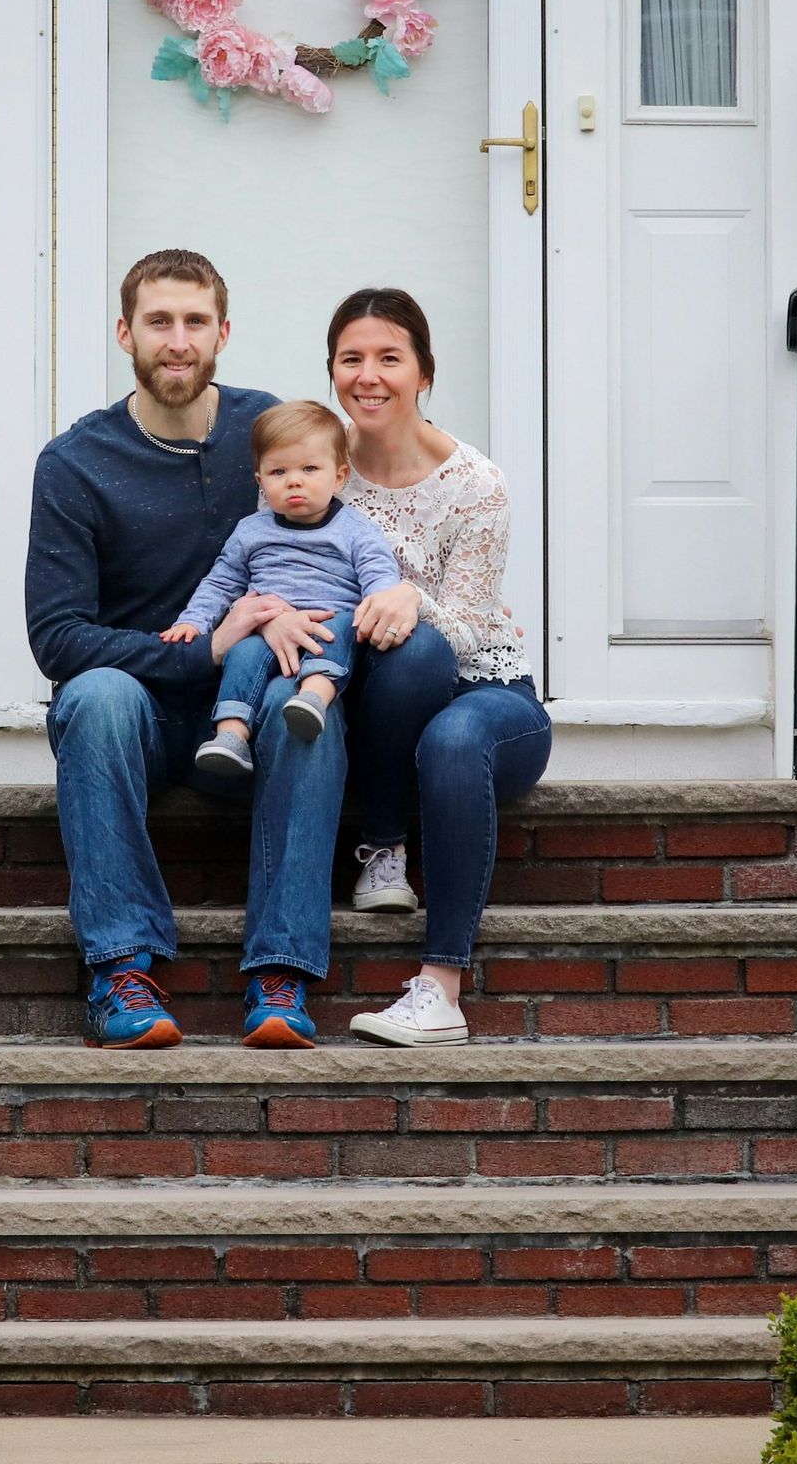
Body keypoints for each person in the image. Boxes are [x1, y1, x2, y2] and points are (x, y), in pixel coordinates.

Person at [26, 250, 450, 1051]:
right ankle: (122, 968)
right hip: (145, 713)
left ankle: (280, 977)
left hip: (267, 694)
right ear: (125, 333)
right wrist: (210, 645)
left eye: (194, 322)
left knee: (306, 711)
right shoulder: (76, 463)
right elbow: (57, 637)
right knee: (92, 696)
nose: (177, 340)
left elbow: (370, 495)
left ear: (223, 332)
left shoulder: (270, 431)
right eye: (159, 321)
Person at [325, 288, 554, 1045]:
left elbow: (460, 633)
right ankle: (382, 849)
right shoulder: (321, 473)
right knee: (403, 651)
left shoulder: (476, 485)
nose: (369, 376)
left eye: (389, 358)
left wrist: (405, 599)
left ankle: (441, 990)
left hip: (490, 696)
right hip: (375, 702)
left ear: (424, 373)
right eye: (351, 359)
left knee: (448, 729)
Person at [161, 400, 405, 775]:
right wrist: (193, 621)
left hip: (329, 617)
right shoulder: (252, 531)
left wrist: (382, 603)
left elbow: (378, 575)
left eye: (310, 468)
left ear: (339, 477)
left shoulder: (356, 529)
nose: (294, 480)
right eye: (278, 471)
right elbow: (221, 581)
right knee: (242, 656)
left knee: (339, 628)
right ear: (260, 481)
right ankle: (231, 736)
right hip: (266, 626)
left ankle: (313, 699)